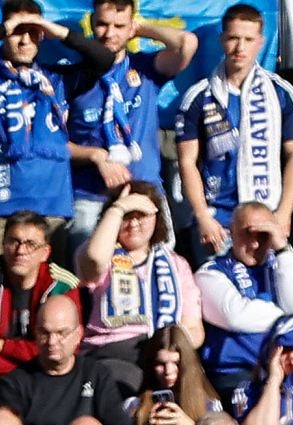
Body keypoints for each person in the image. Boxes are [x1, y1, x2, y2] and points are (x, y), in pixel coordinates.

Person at [0, 0, 113, 261]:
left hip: (51, 207)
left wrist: (56, 31)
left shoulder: (58, 79)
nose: (25, 41)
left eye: (33, 33)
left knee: (50, 294)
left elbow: (103, 59)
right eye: (17, 32)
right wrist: (3, 29)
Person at [174, 3, 293, 257]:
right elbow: (187, 161)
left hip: (265, 217)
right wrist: (202, 215)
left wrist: (284, 212)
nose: (240, 47)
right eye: (234, 38)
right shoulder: (199, 96)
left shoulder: (281, 93)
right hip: (217, 221)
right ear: (222, 39)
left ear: (261, 42)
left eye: (248, 39)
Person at [64, 0, 196, 245]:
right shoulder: (71, 78)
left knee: (157, 271)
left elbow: (187, 44)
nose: (110, 33)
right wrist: (96, 156)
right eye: (102, 24)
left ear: (130, 26)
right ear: (92, 23)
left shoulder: (145, 68)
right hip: (91, 196)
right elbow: (53, 143)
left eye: (119, 25)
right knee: (91, 274)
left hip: (145, 190)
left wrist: (142, 28)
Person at [0, 295, 135, 425]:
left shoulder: (96, 375)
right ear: (35, 332)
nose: (52, 342)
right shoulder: (14, 385)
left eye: (61, 333)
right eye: (45, 333)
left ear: (78, 334)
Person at [76, 183, 204, 389]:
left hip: (162, 353)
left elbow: (195, 329)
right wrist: (118, 208)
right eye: (127, 216)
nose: (133, 223)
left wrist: (168, 347)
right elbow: (94, 261)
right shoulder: (96, 252)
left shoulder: (176, 263)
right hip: (111, 353)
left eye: (141, 216)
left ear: (156, 219)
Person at [196, 201, 293, 393]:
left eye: (264, 235)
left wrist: (281, 249)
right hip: (241, 376)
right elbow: (237, 316)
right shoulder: (209, 273)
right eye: (247, 233)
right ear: (231, 231)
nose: (255, 243)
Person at [0, 209, 79, 380]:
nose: (21, 250)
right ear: (3, 245)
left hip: (47, 376)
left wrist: (7, 347)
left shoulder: (63, 286)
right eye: (13, 241)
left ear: (45, 253)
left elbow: (66, 349)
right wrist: (20, 379)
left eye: (31, 244)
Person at [129, 324, 223, 425]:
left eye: (176, 363)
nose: (168, 371)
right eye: (160, 363)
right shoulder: (134, 406)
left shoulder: (210, 406)